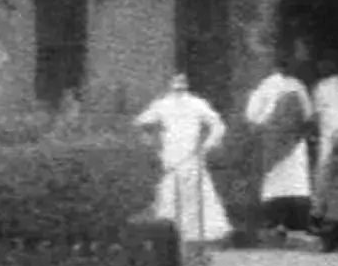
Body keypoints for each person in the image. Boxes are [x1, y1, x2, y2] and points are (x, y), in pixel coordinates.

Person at [133, 73, 232, 244]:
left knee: (195, 192)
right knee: (171, 191)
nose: (178, 87)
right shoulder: (162, 105)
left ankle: (198, 234)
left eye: (182, 83)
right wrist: (151, 139)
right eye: (175, 83)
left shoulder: (197, 104)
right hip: (171, 153)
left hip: (192, 154)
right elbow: (140, 122)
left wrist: (206, 146)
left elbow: (218, 126)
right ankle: (172, 231)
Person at [241, 52, 315, 247]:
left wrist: (266, 126)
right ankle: (296, 226)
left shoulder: (263, 87)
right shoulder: (297, 86)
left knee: (274, 181)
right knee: (296, 183)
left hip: (273, 141)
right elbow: (308, 114)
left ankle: (274, 225)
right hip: (294, 141)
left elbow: (251, 116)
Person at [308, 57, 338, 251]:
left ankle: (329, 218)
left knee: (335, 173)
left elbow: (317, 114)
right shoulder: (326, 86)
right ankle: (322, 216)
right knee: (329, 173)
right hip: (335, 132)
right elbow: (318, 114)